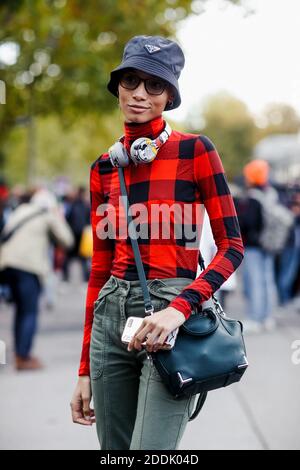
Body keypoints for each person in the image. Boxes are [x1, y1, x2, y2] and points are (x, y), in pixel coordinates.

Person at [70, 35, 244, 450]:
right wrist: (83, 369)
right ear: (118, 87)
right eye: (130, 81)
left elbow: (233, 247)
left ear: (169, 96)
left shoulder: (196, 151)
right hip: (110, 318)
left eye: (154, 85)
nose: (139, 94)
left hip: (171, 317)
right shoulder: (104, 168)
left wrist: (180, 308)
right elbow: (98, 271)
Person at [0, 188, 74, 370]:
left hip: (6, 265)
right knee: (29, 312)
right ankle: (23, 357)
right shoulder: (46, 215)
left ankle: (19, 353)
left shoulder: (20, 211)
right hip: (28, 267)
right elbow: (67, 240)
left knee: (20, 310)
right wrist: (56, 216)